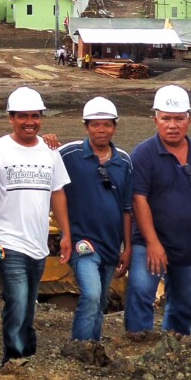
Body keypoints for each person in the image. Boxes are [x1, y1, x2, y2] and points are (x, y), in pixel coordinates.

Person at [0, 87, 71, 366]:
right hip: (5, 241)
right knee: (16, 299)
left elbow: (58, 194)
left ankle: (28, 354)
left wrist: (66, 233)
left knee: (28, 302)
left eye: (35, 116)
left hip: (38, 244)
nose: (30, 121)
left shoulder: (50, 153)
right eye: (23, 116)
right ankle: (14, 358)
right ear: (11, 118)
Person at [124, 85, 191, 336]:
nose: (172, 125)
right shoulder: (144, 154)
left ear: (189, 119)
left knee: (185, 304)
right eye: (166, 118)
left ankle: (173, 355)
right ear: (156, 118)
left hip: (189, 246)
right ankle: (138, 352)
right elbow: (139, 200)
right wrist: (153, 243)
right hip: (148, 246)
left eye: (179, 118)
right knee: (140, 297)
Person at [59, 97, 133, 342]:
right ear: (86, 127)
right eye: (95, 124)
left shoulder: (123, 162)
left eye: (107, 124)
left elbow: (126, 208)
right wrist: (46, 141)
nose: (101, 130)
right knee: (91, 295)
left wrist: (127, 247)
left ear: (115, 127)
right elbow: (41, 159)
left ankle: (93, 348)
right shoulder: (69, 155)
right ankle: (79, 351)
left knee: (100, 300)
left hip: (111, 244)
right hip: (83, 242)